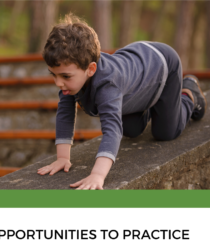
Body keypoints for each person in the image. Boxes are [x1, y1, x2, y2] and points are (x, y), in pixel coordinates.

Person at [37, 13, 207, 190]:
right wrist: (63, 158)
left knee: (165, 133)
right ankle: (148, 104)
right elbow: (65, 113)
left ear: (91, 69)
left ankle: (189, 94)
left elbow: (112, 130)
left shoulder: (108, 84)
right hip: (138, 70)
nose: (58, 83)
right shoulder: (73, 78)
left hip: (162, 64)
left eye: (65, 76)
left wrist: (97, 174)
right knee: (131, 130)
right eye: (53, 75)